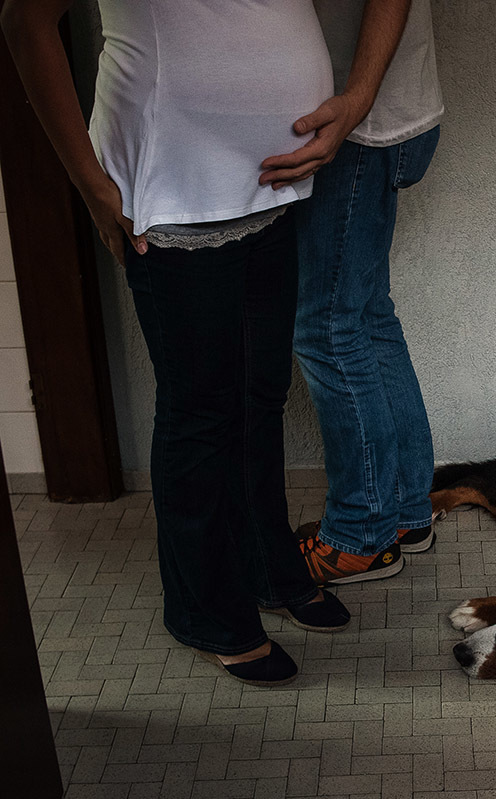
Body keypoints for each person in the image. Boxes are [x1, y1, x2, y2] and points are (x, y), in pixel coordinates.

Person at [1, 0, 352, 687]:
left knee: (260, 391)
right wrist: (89, 182)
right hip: (175, 181)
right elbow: (25, 20)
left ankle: (264, 564)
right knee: (201, 410)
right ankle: (202, 608)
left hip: (271, 180)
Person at [260, 0, 444, 585]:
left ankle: (362, 532)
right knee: (365, 315)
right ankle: (405, 511)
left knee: (327, 327)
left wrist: (358, 99)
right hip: (380, 114)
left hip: (354, 124)